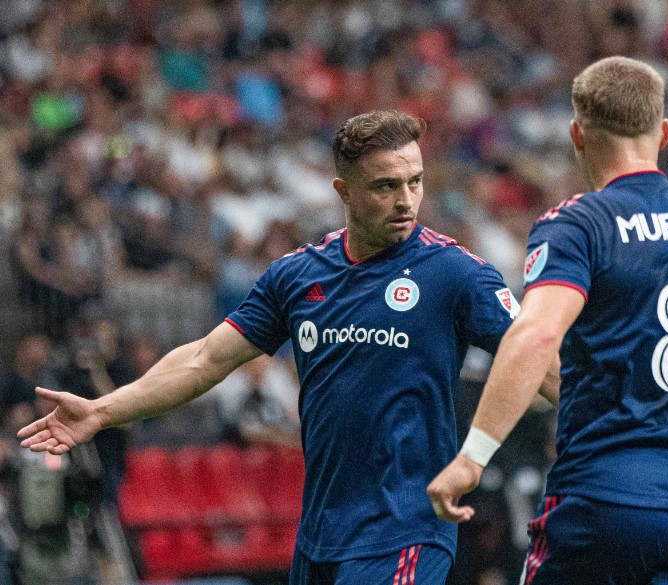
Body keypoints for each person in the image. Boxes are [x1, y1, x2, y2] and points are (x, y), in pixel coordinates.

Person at [18, 110, 557, 585]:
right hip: (320, 534)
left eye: (415, 182)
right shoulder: (298, 276)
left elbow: (539, 358)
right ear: (343, 192)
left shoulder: (456, 274)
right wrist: (103, 410)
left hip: (407, 529)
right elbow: (206, 358)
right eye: (385, 186)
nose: (405, 201)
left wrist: (619, 422)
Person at [427, 56, 668, 585]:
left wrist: (472, 458)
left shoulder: (578, 225)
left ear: (578, 135)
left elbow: (538, 333)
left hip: (603, 503)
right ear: (664, 132)